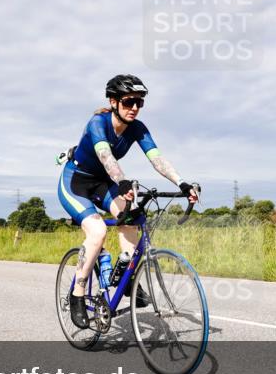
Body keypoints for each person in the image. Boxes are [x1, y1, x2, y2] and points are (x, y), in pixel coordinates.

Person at [57, 74, 199, 329]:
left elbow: (157, 159)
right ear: (113, 102)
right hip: (75, 182)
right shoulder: (97, 123)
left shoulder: (137, 128)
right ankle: (77, 292)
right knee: (98, 230)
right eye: (129, 101)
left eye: (139, 103)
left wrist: (182, 183)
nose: (134, 107)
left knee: (131, 218)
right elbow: (104, 154)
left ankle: (125, 275)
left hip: (103, 183)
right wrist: (122, 182)